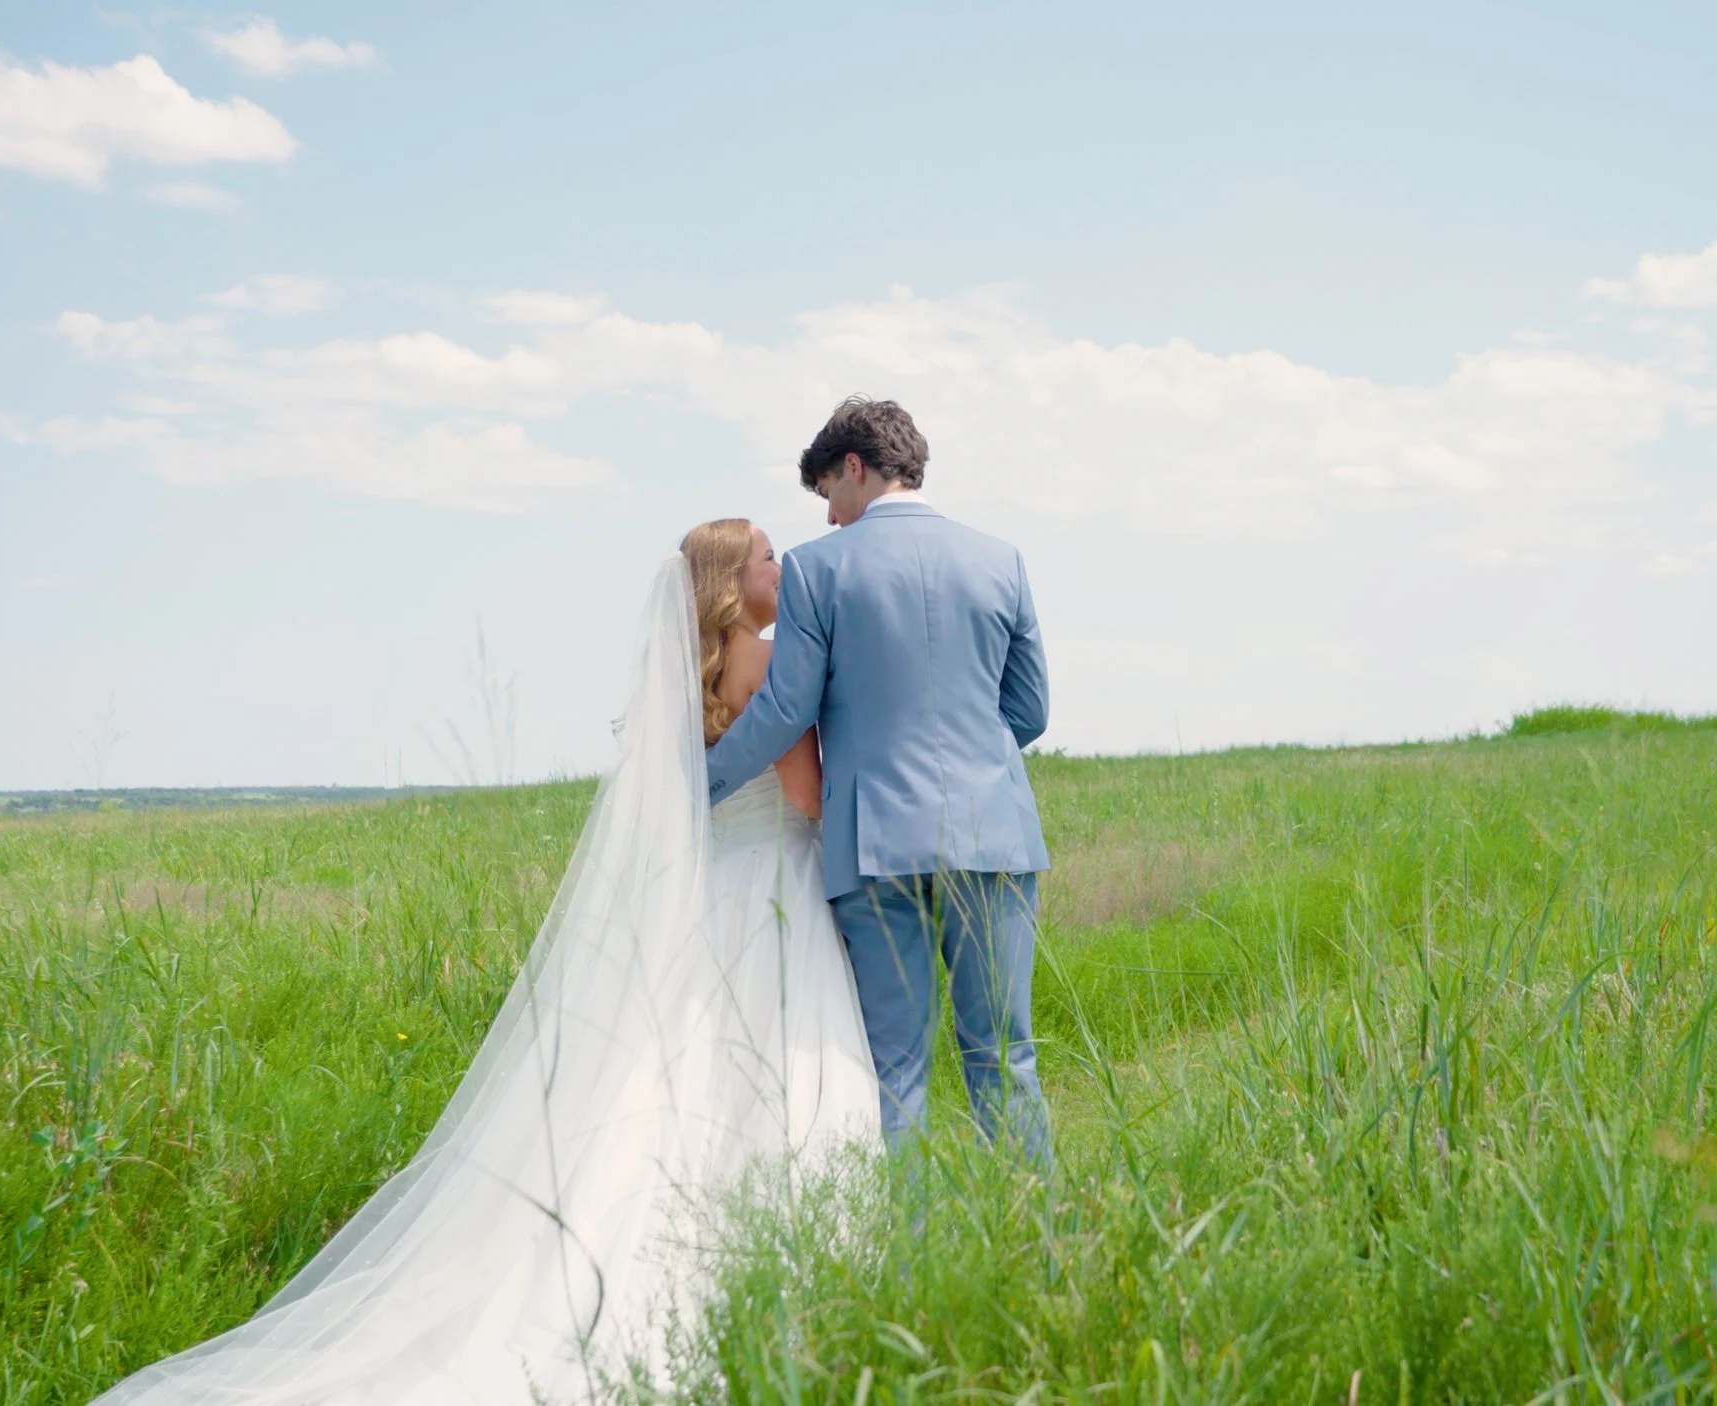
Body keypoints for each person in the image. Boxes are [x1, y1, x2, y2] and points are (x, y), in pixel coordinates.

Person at [91, 523, 878, 1404]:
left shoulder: (680, 683)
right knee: (782, 1080)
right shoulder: (771, 664)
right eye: (768, 557)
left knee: (680, 1085)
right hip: (776, 887)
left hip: (707, 899)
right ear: (733, 585)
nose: (786, 568)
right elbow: (806, 798)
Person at [703, 397, 1054, 1166]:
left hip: (874, 848)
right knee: (1005, 1057)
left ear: (854, 468)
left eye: (828, 492)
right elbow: (1029, 712)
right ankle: (1035, 1248)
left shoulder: (817, 568)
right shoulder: (1002, 559)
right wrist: (973, 760)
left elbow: (786, 707)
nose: (829, 516)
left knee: (896, 1074)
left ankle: (908, 1269)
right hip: (994, 837)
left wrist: (699, 784)